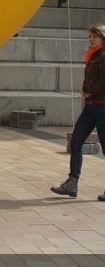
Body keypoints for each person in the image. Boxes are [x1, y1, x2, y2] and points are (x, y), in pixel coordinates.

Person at [51, 24, 105, 199]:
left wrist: (87, 90)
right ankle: (72, 184)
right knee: (76, 142)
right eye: (89, 37)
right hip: (91, 106)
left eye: (94, 36)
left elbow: (103, 84)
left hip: (102, 106)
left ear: (103, 38)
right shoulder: (94, 55)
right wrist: (85, 88)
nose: (91, 39)